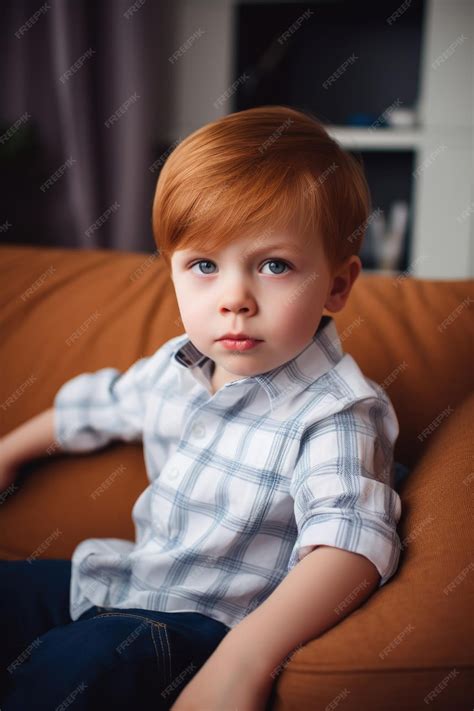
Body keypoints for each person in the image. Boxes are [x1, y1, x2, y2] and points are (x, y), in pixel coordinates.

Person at [0, 105, 403, 710]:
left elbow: (349, 545)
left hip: (201, 627)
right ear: (174, 272)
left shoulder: (337, 410)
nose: (234, 299)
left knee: (80, 667)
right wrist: (8, 452)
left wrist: (247, 659)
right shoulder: (177, 365)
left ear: (338, 285)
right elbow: (94, 408)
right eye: (204, 266)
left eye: (274, 265)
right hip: (119, 581)